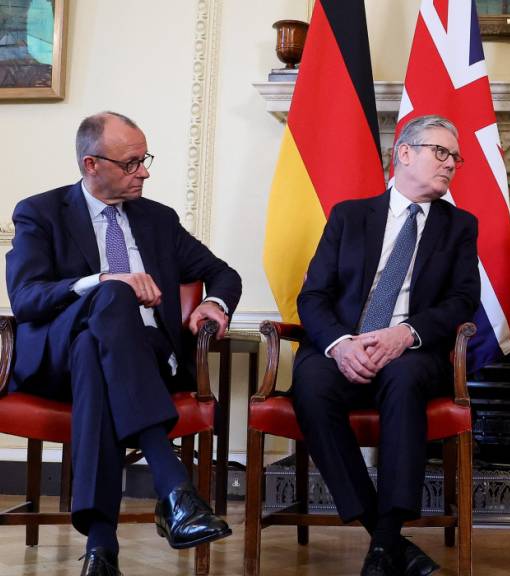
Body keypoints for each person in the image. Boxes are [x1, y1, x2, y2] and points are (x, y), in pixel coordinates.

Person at [5, 111, 241, 576]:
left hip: (145, 353)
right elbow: (26, 297)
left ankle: (101, 547)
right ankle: (174, 488)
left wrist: (214, 304)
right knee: (109, 301)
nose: (145, 171)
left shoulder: (157, 220)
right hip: (57, 360)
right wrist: (102, 280)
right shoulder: (41, 212)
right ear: (91, 164)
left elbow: (223, 272)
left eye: (145, 159)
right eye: (132, 163)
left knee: (97, 353)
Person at [290, 114, 480, 576]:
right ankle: (385, 535)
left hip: (411, 351)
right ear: (405, 153)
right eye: (441, 152)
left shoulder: (459, 225)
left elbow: (462, 301)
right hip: (344, 345)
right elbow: (313, 295)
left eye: (455, 156)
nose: (451, 163)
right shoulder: (350, 215)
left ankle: (388, 532)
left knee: (404, 376)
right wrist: (340, 344)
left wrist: (404, 334)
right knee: (310, 383)